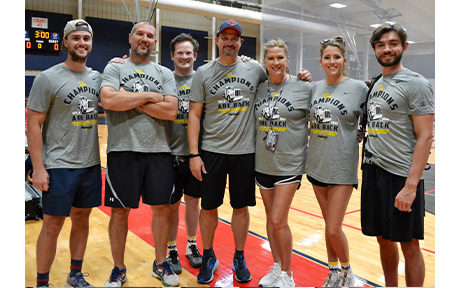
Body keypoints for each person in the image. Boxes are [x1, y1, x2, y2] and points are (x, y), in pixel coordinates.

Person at [188, 19, 312, 284]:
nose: (230, 42)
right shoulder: (203, 73)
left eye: (235, 38)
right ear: (217, 40)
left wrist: (302, 77)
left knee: (240, 207)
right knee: (209, 207)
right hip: (212, 151)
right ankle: (209, 255)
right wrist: (194, 154)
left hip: (246, 153)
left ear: (241, 42)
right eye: (225, 37)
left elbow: (280, 81)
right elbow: (195, 115)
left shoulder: (254, 68)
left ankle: (239, 256)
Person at [100, 21, 180, 287]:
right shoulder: (115, 67)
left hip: (158, 151)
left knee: (162, 210)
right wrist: (150, 97)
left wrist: (131, 100)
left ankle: (160, 264)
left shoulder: (164, 72)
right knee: (119, 213)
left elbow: (170, 111)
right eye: (140, 34)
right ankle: (119, 268)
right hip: (122, 150)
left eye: (150, 35)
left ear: (155, 42)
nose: (145, 39)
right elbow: (109, 101)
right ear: (130, 38)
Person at [27, 19, 101, 287]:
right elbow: (33, 124)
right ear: (66, 43)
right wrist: (38, 168)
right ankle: (42, 282)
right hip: (58, 164)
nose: (82, 43)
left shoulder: (97, 78)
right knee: (52, 224)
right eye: (76, 38)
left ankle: (75, 274)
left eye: (86, 39)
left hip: (91, 164)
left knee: (82, 219)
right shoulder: (47, 78)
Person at [361, 21, 434, 287]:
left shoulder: (415, 83)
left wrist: (411, 187)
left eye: (393, 44)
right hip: (374, 171)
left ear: (404, 47)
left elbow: (425, 136)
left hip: (401, 176)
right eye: (381, 45)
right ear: (374, 49)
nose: (387, 49)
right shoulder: (377, 83)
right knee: (383, 239)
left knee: (410, 245)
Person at [306, 36, 368, 287]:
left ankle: (348, 272)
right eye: (327, 58)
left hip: (342, 167)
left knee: (333, 228)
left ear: (344, 60)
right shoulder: (314, 88)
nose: (332, 61)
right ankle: (333, 272)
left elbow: (371, 119)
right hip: (316, 164)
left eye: (337, 57)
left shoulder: (359, 89)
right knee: (328, 224)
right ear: (321, 62)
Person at [254, 38, 312, 287]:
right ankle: (277, 267)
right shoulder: (259, 87)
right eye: (271, 58)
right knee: (270, 219)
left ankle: (288, 275)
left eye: (280, 58)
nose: (276, 62)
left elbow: (317, 118)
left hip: (290, 163)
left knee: (279, 219)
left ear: (287, 60)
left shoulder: (304, 87)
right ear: (264, 61)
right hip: (263, 163)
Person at [166, 33, 203, 274]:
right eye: (180, 52)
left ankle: (191, 244)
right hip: (168, 154)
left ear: (195, 56)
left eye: (188, 52)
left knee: (192, 201)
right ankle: (170, 249)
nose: (184, 56)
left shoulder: (202, 80)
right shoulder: (163, 79)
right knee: (169, 206)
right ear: (172, 55)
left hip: (194, 155)